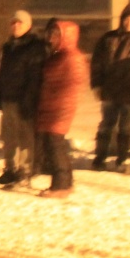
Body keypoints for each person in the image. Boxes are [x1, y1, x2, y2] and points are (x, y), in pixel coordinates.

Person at [0, 10, 47, 187]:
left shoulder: (35, 48)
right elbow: (2, 73)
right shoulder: (8, 47)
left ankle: (25, 171)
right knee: (8, 137)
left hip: (24, 100)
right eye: (13, 22)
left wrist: (29, 100)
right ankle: (10, 169)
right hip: (8, 97)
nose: (15, 26)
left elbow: (35, 77)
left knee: (25, 138)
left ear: (28, 25)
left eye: (19, 23)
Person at [90, 4, 130, 172]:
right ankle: (99, 157)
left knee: (126, 127)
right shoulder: (108, 38)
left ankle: (122, 159)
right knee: (106, 125)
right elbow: (97, 63)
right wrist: (96, 85)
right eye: (127, 18)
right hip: (110, 90)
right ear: (122, 19)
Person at [35, 20, 89, 198]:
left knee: (55, 146)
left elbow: (71, 86)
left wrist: (54, 103)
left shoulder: (72, 57)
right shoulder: (57, 56)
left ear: (67, 36)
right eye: (50, 34)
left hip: (60, 109)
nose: (51, 38)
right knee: (55, 146)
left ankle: (60, 186)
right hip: (51, 107)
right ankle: (66, 182)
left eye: (56, 34)